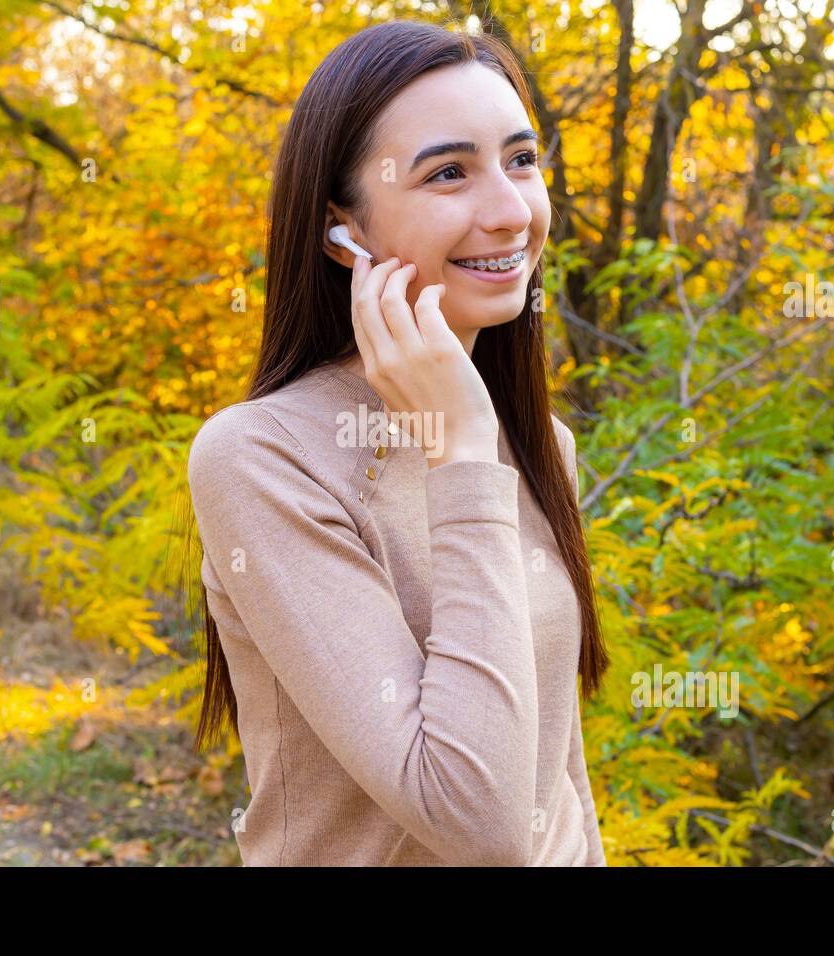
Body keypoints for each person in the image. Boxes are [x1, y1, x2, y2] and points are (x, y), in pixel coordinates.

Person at [186, 18, 609, 866]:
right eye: (448, 173)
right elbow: (478, 822)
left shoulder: (539, 444)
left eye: (521, 160)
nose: (509, 211)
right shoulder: (263, 459)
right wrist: (458, 453)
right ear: (342, 230)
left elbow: (558, 774)